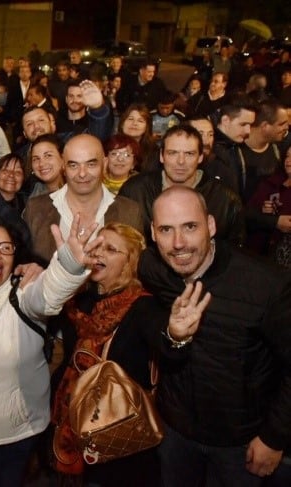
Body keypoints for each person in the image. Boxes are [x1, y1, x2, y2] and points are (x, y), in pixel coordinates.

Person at [138, 185, 291, 487]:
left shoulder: (266, 285)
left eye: (190, 227)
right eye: (166, 230)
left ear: (210, 225)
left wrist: (273, 437)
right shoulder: (152, 268)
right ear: (153, 234)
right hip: (175, 434)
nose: (178, 243)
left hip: (240, 443)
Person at [0, 212, 99, 487]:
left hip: (16, 432)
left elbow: (48, 294)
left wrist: (68, 265)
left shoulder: (23, 295)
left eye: (6, 248)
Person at [51, 223, 164, 485]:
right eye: (97, 246)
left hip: (122, 437)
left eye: (111, 249)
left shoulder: (145, 306)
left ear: (131, 262)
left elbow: (167, 344)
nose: (99, 253)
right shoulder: (78, 301)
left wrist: (177, 334)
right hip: (76, 428)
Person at [24, 134, 143, 264]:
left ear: (105, 164)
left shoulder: (130, 211)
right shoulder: (36, 209)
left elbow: (134, 268)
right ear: (63, 166)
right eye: (73, 165)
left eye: (91, 164)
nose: (82, 173)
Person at [119, 124, 245, 246]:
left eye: (189, 154)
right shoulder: (134, 191)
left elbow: (234, 254)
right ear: (162, 156)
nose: (181, 161)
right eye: (172, 153)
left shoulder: (226, 200)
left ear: (200, 157)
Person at [246, 145, 291, 266]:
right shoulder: (271, 182)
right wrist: (263, 210)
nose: (288, 161)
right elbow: (247, 213)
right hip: (257, 255)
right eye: (287, 156)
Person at [212, 95, 257, 196]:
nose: (248, 131)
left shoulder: (237, 146)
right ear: (225, 120)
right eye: (243, 124)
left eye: (250, 125)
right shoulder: (208, 150)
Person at [55, 80, 113, 144]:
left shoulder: (93, 122)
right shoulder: (57, 122)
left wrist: (97, 108)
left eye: (79, 96)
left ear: (86, 98)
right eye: (71, 96)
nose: (75, 100)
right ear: (66, 99)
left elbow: (99, 138)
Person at [117, 103, 157, 171]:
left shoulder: (154, 151)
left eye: (140, 121)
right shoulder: (111, 146)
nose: (134, 123)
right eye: (130, 119)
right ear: (122, 124)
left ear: (147, 127)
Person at [27, 133, 65, 197]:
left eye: (48, 155)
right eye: (36, 159)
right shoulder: (37, 194)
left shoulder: (79, 188)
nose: (41, 163)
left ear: (63, 158)